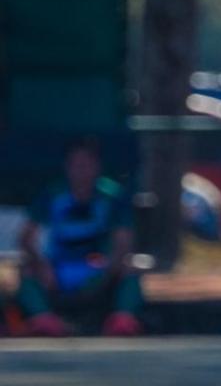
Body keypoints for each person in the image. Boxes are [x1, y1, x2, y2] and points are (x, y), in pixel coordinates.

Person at [16, 137, 144, 336]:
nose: (82, 171)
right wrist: (42, 266)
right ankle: (44, 319)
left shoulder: (113, 196)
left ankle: (122, 319)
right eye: (76, 165)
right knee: (26, 269)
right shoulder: (53, 194)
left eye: (87, 164)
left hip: (99, 267)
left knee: (131, 267)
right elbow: (25, 238)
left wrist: (111, 268)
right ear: (67, 167)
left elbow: (123, 240)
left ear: (97, 166)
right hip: (60, 269)